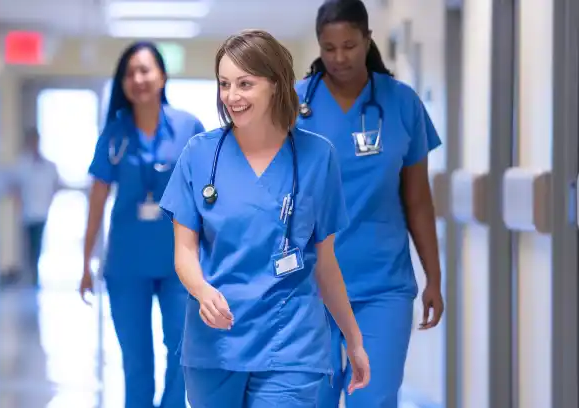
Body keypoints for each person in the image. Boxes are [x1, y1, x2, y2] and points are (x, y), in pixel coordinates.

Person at [159, 29, 370, 408]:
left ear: (275, 83)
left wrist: (353, 339)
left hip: (290, 342)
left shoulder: (317, 157)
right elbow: (184, 253)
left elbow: (325, 262)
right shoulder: (199, 155)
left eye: (245, 83)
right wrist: (203, 292)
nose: (232, 96)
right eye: (224, 84)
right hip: (216, 340)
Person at [295, 1, 445, 406]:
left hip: (383, 286)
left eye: (349, 45)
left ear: (367, 40)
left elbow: (417, 200)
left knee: (374, 398)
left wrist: (434, 276)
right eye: (329, 48)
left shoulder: (401, 104)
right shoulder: (294, 106)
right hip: (311, 288)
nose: (339, 57)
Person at [78, 41, 205, 408]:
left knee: (182, 351)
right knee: (136, 359)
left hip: (177, 262)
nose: (138, 78)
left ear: (162, 76)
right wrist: (86, 262)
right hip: (127, 264)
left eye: (145, 70)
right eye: (130, 73)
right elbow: (97, 201)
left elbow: (207, 193)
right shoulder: (115, 133)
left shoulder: (187, 127)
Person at [6, 128, 62, 287]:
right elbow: (14, 187)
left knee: (37, 244)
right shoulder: (22, 164)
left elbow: (56, 185)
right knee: (29, 245)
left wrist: (50, 200)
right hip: (27, 212)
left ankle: (34, 275)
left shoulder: (48, 165)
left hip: (42, 211)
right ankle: (31, 275)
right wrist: (18, 205)